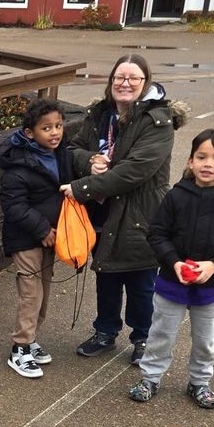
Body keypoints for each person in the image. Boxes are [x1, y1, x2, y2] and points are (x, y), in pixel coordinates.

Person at [62, 54, 187, 364]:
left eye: (133, 78)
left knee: (141, 281)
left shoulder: (158, 121)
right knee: (106, 274)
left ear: (145, 83)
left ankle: (143, 337)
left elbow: (135, 171)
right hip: (102, 212)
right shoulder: (98, 113)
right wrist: (90, 160)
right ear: (111, 81)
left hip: (140, 214)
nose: (125, 83)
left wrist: (82, 188)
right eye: (119, 77)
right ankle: (105, 331)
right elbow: (72, 149)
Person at [129, 129, 214, 409]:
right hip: (172, 284)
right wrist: (173, 261)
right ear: (190, 161)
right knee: (160, 333)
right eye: (201, 157)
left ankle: (199, 382)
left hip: (211, 287)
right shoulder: (176, 197)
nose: (208, 164)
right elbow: (157, 234)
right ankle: (150, 377)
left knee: (205, 340)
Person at [0, 98, 73, 378]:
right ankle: (19, 347)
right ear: (30, 133)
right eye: (46, 128)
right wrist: (42, 230)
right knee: (31, 293)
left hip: (52, 237)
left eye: (59, 126)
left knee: (44, 290)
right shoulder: (19, 163)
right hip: (27, 238)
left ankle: (31, 338)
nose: (55, 132)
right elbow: (14, 206)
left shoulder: (59, 153)